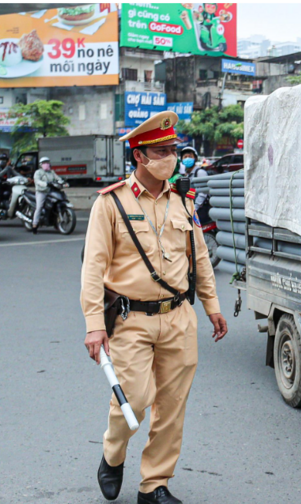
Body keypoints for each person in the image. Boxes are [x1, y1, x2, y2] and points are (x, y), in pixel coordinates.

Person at [81, 111, 227, 504]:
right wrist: (95, 324)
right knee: (134, 398)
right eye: (162, 151)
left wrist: (212, 306)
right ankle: (113, 455)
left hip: (179, 315)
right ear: (140, 157)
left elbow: (198, 259)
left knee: (172, 405)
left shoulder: (184, 200)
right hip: (131, 319)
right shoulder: (110, 203)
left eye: (173, 151)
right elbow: (93, 269)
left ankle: (154, 484)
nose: (172, 158)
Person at [32, 157, 65, 234]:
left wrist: (62, 182)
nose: (46, 164)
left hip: (50, 191)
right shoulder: (38, 172)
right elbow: (37, 181)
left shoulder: (52, 172)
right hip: (41, 192)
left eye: (47, 162)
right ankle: (34, 224)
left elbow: (58, 178)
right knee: (39, 207)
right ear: (41, 164)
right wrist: (45, 184)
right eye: (44, 163)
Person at [181, 147, 210, 224]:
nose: (187, 159)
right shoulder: (187, 176)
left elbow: (203, 194)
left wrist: (194, 209)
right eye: (185, 157)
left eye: (190, 157)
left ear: (195, 159)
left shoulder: (200, 172)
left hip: (200, 211)